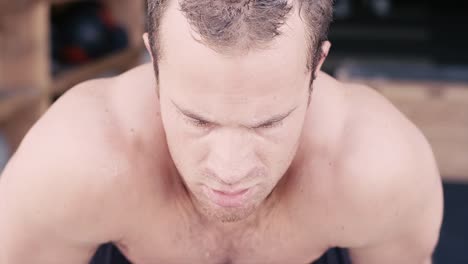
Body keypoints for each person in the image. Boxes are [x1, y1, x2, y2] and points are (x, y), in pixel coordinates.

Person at [0, 0, 443, 263]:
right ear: (154, 62)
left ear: (317, 68)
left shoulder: (378, 170)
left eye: (269, 122)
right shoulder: (73, 163)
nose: (230, 170)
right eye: (198, 120)